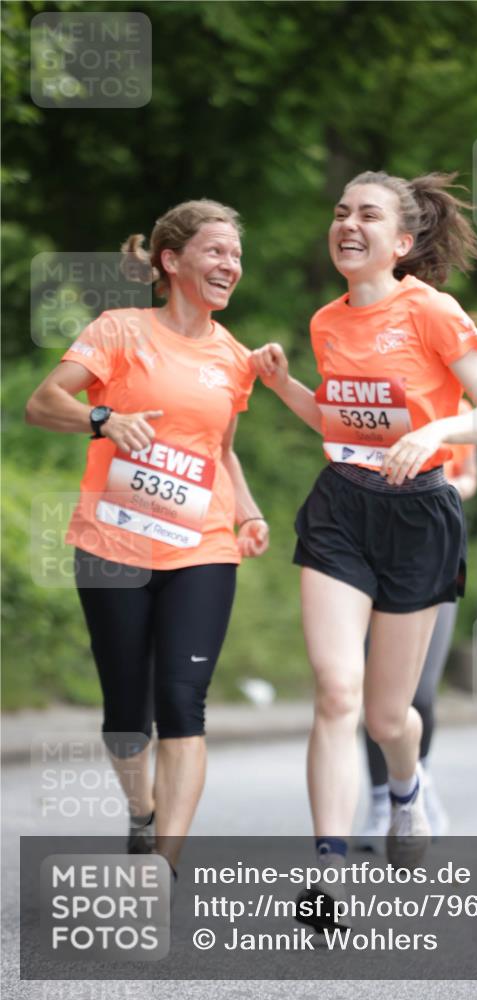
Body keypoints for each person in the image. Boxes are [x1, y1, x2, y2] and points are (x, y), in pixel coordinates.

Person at [252, 170, 477, 926]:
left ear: (400, 242)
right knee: (335, 693)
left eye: (366, 214)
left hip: (419, 518)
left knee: (385, 717)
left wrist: (436, 430)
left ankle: (405, 792)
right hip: (341, 508)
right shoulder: (325, 323)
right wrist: (282, 386)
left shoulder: (431, 312)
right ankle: (328, 871)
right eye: (339, 210)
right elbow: (344, 428)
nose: (346, 223)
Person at [25, 199, 269, 876]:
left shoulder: (234, 357)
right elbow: (43, 403)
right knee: (127, 715)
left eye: (236, 255)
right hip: (113, 546)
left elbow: (221, 449)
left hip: (202, 548)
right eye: (217, 252)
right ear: (171, 260)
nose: (231, 265)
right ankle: (141, 810)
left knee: (183, 704)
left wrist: (246, 514)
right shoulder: (119, 331)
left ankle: (160, 868)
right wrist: (102, 418)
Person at [358, 398, 477, 849]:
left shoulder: (461, 407)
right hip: (377, 548)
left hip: (434, 549)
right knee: (373, 690)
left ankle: (414, 787)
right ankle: (377, 800)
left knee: (421, 692)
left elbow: (470, 477)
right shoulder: (380, 397)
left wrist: (442, 481)